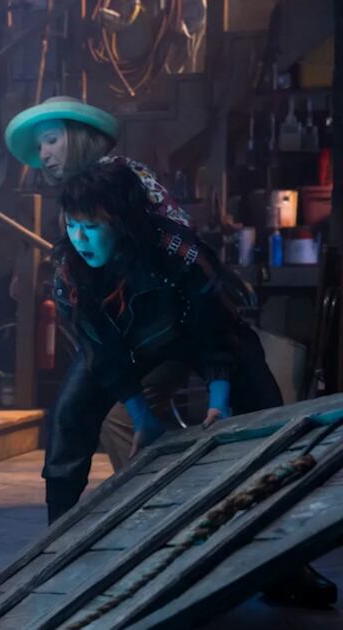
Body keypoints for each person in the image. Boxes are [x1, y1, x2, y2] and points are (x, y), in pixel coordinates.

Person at [47, 161, 335, 606]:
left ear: (121, 223)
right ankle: (54, 556)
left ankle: (285, 565)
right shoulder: (69, 269)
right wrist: (142, 417)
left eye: (91, 227)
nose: (79, 238)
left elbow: (217, 324)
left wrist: (219, 399)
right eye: (72, 225)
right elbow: (102, 354)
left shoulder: (175, 247)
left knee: (264, 407)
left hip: (195, 330)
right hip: (132, 344)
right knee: (69, 418)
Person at [5, 95, 192, 472]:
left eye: (52, 140)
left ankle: (150, 492)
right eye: (40, 146)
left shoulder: (123, 175)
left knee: (114, 416)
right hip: (112, 328)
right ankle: (69, 512)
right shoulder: (73, 195)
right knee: (69, 418)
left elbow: (179, 236)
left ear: (78, 137)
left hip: (159, 321)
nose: (44, 154)